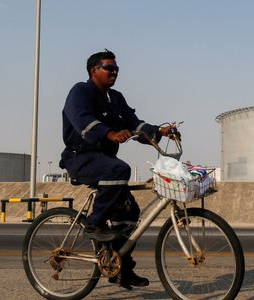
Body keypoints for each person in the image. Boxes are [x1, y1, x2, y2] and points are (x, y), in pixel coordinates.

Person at [59, 49, 172, 290]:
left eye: (116, 68)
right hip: (81, 158)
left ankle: (121, 270)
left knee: (130, 213)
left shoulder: (116, 98)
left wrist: (158, 132)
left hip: (104, 161)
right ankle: (94, 224)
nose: (114, 72)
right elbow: (83, 122)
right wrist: (109, 133)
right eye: (109, 68)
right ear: (93, 71)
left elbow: (135, 124)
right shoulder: (80, 92)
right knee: (120, 169)